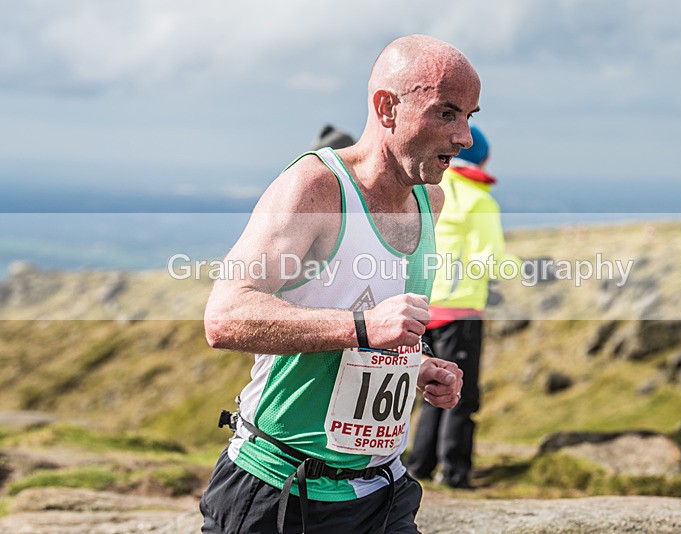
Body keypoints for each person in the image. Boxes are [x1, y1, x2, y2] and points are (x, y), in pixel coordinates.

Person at [200, 34, 479, 534]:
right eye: (446, 113)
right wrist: (363, 327)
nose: (465, 137)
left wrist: (417, 366)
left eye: (470, 116)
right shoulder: (317, 187)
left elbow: (374, 324)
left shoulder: (430, 202)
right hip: (281, 489)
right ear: (387, 107)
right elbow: (225, 317)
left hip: (384, 492)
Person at [407, 125, 520, 489]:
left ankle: (420, 464)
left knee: (431, 387)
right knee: (459, 392)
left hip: (424, 305)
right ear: (482, 158)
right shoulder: (478, 199)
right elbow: (491, 261)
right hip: (461, 310)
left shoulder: (427, 190)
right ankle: (454, 470)